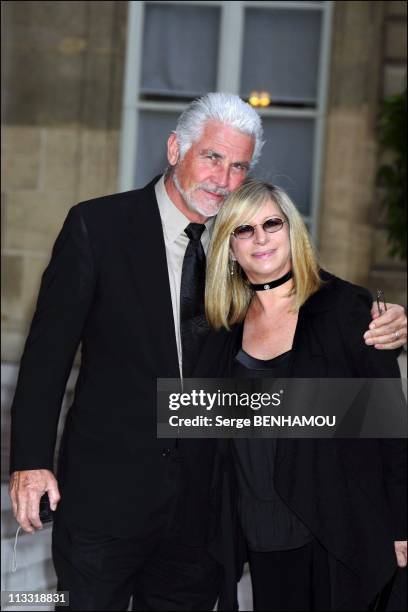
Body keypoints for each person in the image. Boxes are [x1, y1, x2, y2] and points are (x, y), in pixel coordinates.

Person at [8, 93, 407, 610]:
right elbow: (47, 354)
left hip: (207, 511)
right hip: (106, 498)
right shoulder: (98, 227)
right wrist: (31, 461)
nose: (223, 177)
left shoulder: (243, 239)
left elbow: (305, 287)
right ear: (176, 148)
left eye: (239, 165)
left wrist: (380, 313)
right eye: (213, 157)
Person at [197, 178, 407, 611]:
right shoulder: (222, 326)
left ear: (293, 230)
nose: (260, 239)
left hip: (335, 526)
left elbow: (390, 428)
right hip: (259, 529)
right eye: (244, 229)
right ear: (229, 247)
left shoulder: (346, 308)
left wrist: (402, 522)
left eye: (272, 224)